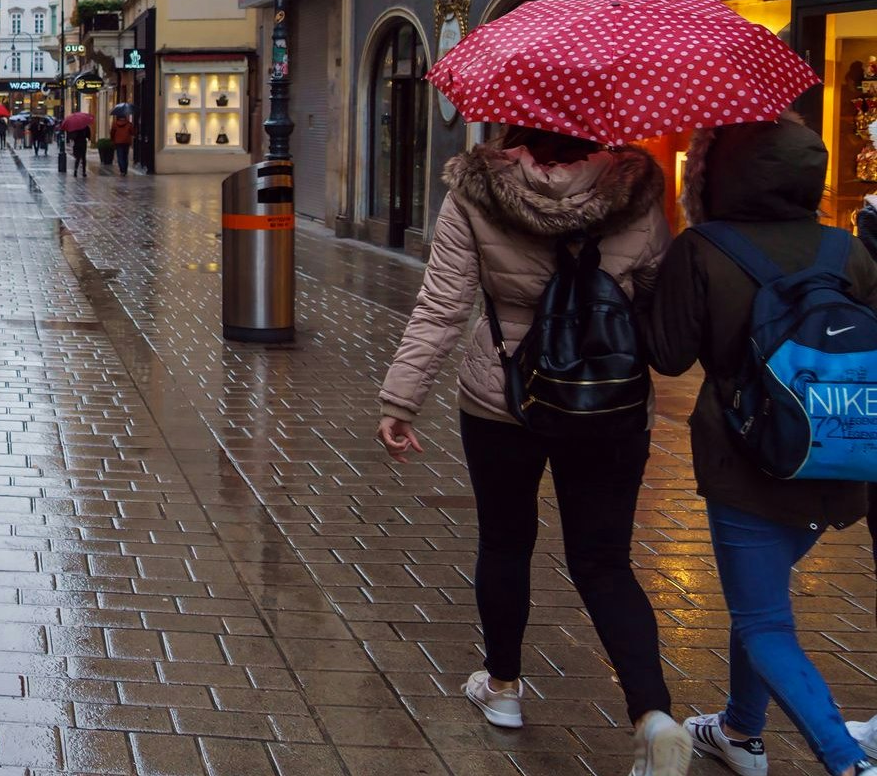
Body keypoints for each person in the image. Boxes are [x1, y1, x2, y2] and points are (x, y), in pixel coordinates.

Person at [376, 127, 686, 774]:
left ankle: (505, 687)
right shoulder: (637, 193)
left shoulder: (476, 191)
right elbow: (659, 307)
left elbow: (443, 304)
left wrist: (401, 400)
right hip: (610, 402)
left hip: (503, 396)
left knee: (506, 539)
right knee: (605, 562)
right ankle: (652, 716)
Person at [640, 119, 877, 776]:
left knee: (766, 621)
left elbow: (668, 352)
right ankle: (741, 731)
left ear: (716, 174)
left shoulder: (704, 247)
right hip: (837, 454)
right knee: (762, 598)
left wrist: (643, 291)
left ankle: (847, 760)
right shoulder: (846, 249)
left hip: (746, 460)